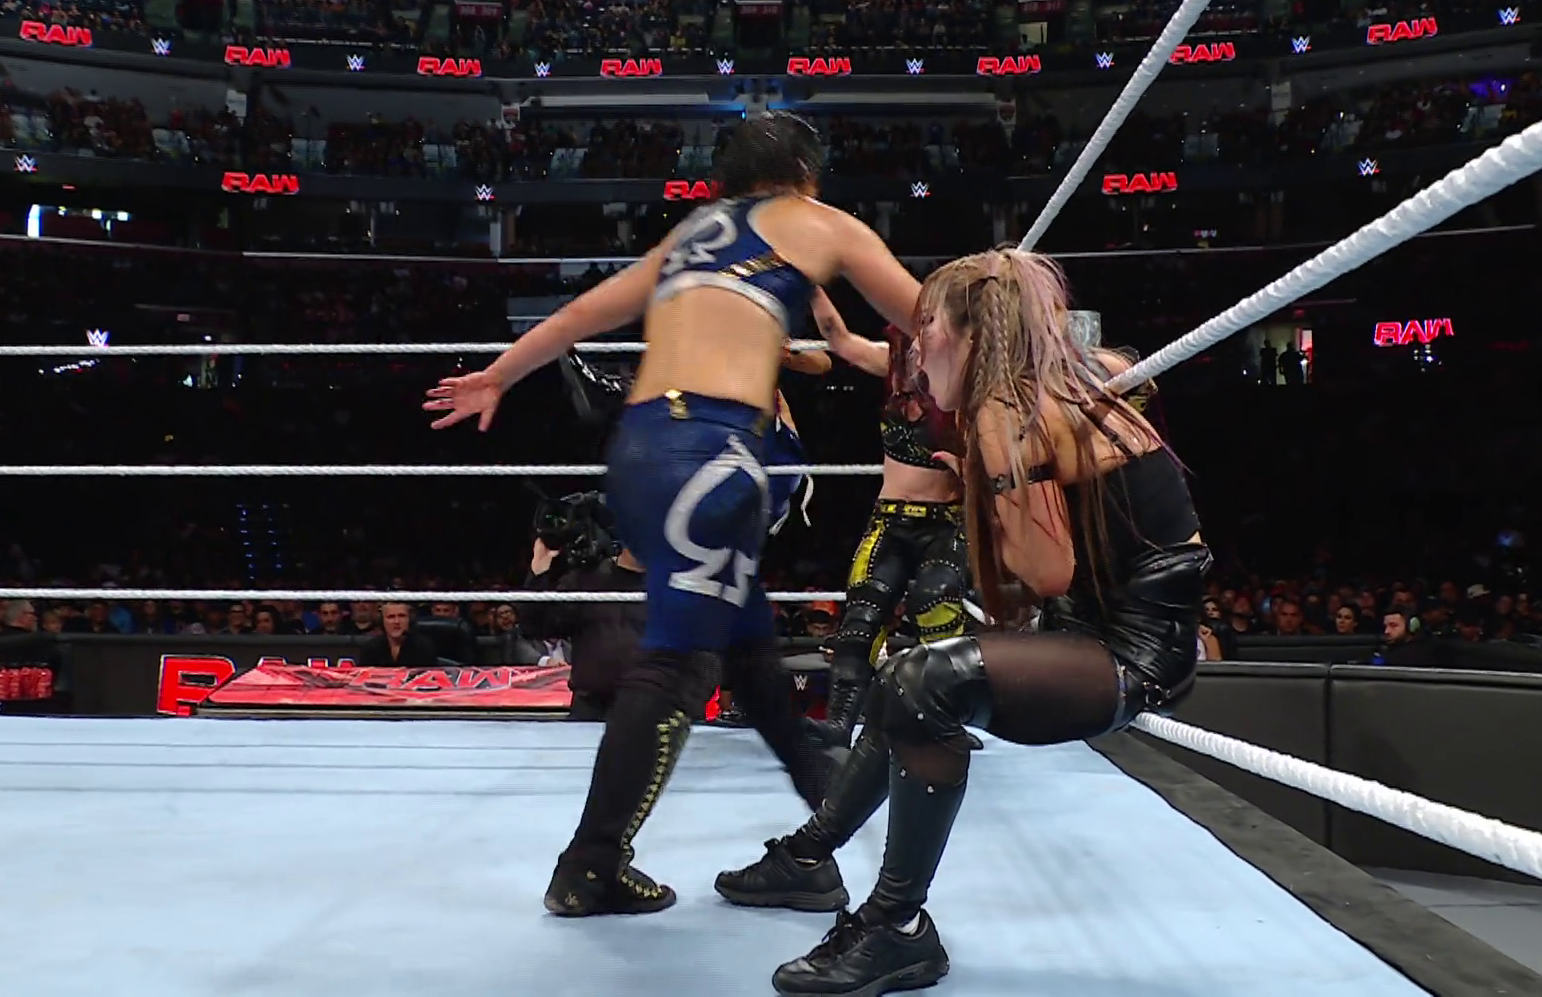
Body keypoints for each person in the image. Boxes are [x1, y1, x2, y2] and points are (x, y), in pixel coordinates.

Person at [422, 111, 923, 918]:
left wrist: (498, 376)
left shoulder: (692, 235)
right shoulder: (816, 221)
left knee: (750, 652)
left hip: (641, 449)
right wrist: (1033, 348)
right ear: (806, 174)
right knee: (680, 665)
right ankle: (591, 864)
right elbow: (929, 317)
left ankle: (812, 851)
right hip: (711, 457)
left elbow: (582, 316)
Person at [715, 247, 1210, 997]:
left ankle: (894, 924)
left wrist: (993, 476)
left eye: (926, 327)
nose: (914, 348)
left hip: (1131, 656)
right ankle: (810, 857)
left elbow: (1044, 571)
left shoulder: (1007, 409)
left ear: (970, 334)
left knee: (921, 682)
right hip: (1090, 632)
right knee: (903, 681)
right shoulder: (1030, 393)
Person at [808, 295, 971, 748]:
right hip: (890, 519)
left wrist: (968, 467)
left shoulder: (968, 379)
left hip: (945, 522)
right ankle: (840, 723)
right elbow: (838, 338)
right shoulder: (893, 366)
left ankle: (945, 724)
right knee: (861, 617)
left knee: (938, 608)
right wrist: (811, 284)